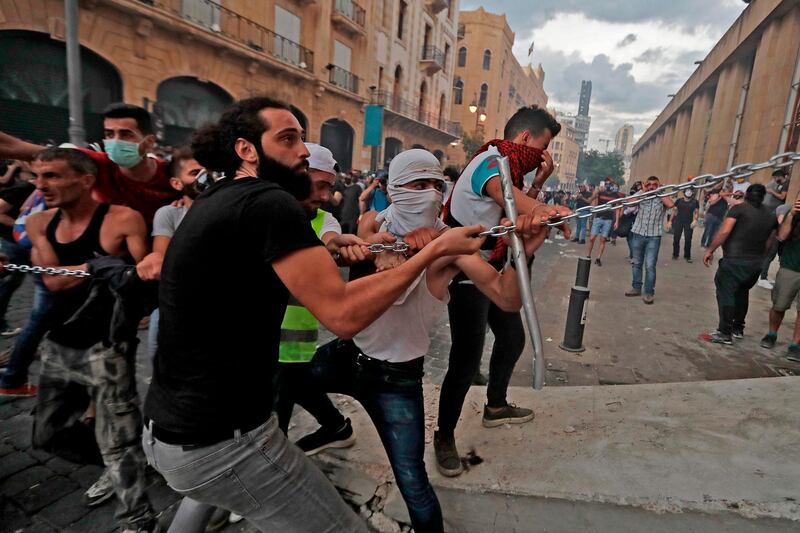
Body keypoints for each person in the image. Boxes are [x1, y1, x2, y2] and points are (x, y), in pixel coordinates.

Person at [141, 96, 485, 532]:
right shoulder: (270, 202)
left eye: (302, 138)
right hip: (224, 438)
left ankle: (332, 427)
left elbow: (254, 275)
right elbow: (341, 316)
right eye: (288, 138)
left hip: (169, 431)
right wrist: (433, 251)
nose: (303, 150)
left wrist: (325, 250)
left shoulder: (222, 196)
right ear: (247, 150)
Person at [317, 148, 552, 532]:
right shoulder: (370, 221)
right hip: (348, 353)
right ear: (392, 189)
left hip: (398, 380)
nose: (428, 194)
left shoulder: (453, 246)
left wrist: (520, 253)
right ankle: (329, 430)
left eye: (436, 185)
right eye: (417, 184)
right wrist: (381, 245)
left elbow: (507, 297)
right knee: (289, 378)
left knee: (413, 482)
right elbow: (366, 250)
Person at [21, 147, 158, 532]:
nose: (41, 184)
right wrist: (95, 266)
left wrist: (129, 276)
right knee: (48, 434)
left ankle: (138, 520)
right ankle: (123, 465)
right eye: (38, 176)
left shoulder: (121, 219)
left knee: (120, 439)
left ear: (85, 181)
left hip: (109, 347)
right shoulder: (38, 224)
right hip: (59, 343)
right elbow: (53, 279)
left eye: (52, 176)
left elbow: (143, 277)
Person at [435, 105, 569, 478]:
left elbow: (515, 207)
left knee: (512, 338)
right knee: (465, 358)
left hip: (492, 270)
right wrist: (549, 208)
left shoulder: (509, 169)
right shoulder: (490, 162)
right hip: (467, 271)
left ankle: (495, 406)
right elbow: (514, 203)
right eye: (542, 150)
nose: (541, 159)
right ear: (525, 139)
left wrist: (540, 183)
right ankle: (443, 435)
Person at [0, 103, 179, 225]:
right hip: (110, 262)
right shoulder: (96, 163)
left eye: (126, 134)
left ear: (149, 142)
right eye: (109, 134)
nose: (115, 141)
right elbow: (14, 147)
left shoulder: (173, 174)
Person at [704, 184, 778, 344]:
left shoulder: (738, 209)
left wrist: (710, 249)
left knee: (726, 292)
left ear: (747, 195)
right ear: (763, 196)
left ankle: (725, 332)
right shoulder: (771, 216)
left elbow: (724, 231)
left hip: (734, 260)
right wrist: (761, 257)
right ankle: (738, 328)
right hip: (755, 263)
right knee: (742, 293)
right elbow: (770, 241)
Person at [760, 195, 800, 361]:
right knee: (779, 305)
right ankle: (771, 334)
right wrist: (791, 214)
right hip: (791, 266)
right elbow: (782, 236)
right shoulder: (794, 214)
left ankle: (795, 344)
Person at [624, 176, 674, 304]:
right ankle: (636, 287)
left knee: (650, 266)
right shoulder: (642, 195)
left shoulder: (662, 197)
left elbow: (670, 204)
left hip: (654, 236)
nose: (651, 186)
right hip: (638, 233)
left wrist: (659, 191)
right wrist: (643, 191)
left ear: (659, 185)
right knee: (636, 263)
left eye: (654, 184)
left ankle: (649, 292)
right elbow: (629, 203)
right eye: (649, 184)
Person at [0, 160, 35, 336]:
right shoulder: (22, 189)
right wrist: (20, 227)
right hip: (12, 243)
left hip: (29, 244)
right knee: (9, 282)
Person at [758, 168, 791, 289]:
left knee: (771, 252)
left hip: (776, 225)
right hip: (775, 226)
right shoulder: (785, 208)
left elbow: (782, 197)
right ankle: (762, 277)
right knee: (770, 252)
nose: (775, 180)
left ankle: (763, 276)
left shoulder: (786, 185)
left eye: (777, 177)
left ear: (782, 176)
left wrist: (771, 191)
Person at [586, 177, 623, 267]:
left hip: (608, 220)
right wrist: (597, 191)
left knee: (603, 240)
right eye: (606, 184)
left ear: (612, 185)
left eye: (609, 184)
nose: (608, 186)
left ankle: (598, 258)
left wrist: (617, 221)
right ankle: (588, 255)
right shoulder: (600, 193)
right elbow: (590, 200)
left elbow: (618, 208)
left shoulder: (615, 195)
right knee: (592, 238)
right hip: (598, 217)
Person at [671, 189, 699, 262]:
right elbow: (674, 211)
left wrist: (695, 220)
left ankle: (687, 256)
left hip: (689, 223)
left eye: (690, 191)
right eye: (687, 190)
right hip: (678, 221)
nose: (689, 192)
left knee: (688, 240)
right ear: (684, 192)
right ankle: (675, 254)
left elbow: (696, 212)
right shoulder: (679, 201)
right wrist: (670, 221)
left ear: (693, 193)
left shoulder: (695, 202)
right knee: (676, 239)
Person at [701, 183, 728, 248]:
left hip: (720, 217)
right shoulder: (716, 194)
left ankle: (709, 245)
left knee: (713, 233)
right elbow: (712, 203)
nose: (726, 192)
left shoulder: (727, 198)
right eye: (724, 190)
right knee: (707, 231)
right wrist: (720, 196)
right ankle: (703, 243)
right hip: (711, 215)